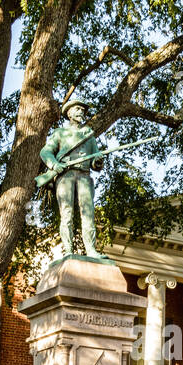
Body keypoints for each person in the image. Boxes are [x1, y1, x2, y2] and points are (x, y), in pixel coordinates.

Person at [40, 98, 104, 256]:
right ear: (69, 113)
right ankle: (68, 250)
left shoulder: (88, 134)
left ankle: (91, 250)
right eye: (77, 109)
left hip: (84, 176)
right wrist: (54, 165)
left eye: (82, 110)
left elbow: (96, 160)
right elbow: (45, 152)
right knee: (67, 214)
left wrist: (98, 160)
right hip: (66, 176)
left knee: (88, 213)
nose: (81, 112)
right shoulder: (60, 133)